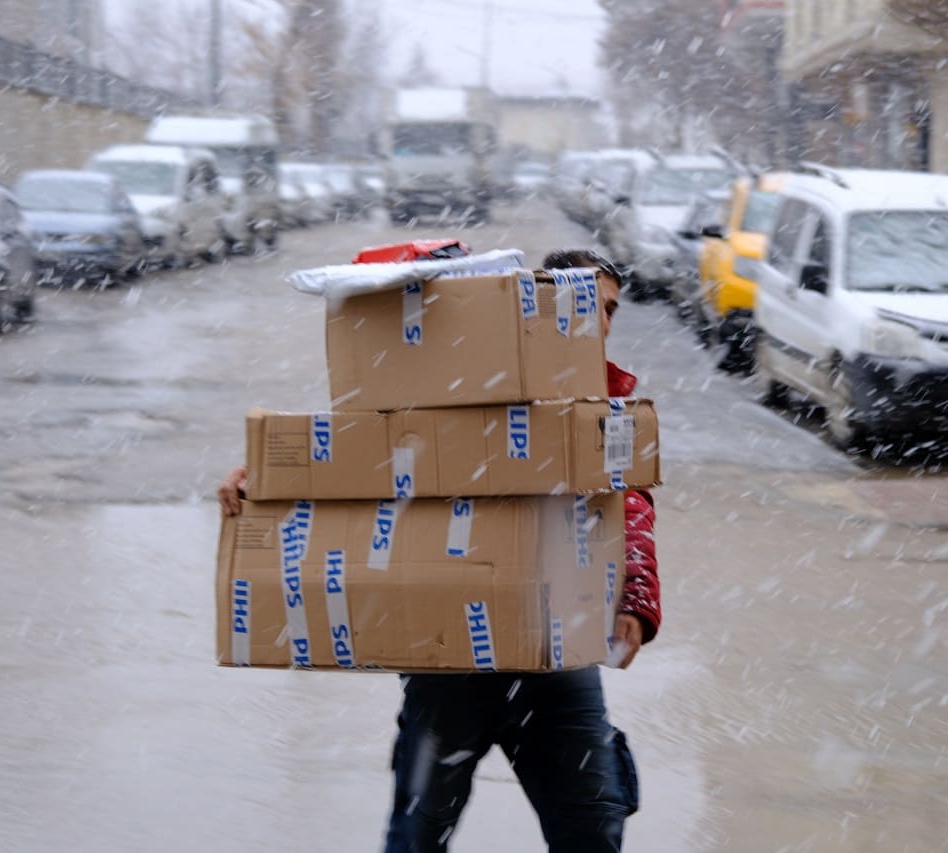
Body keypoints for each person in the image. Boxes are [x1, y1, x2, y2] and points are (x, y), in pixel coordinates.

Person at [216, 248, 661, 852]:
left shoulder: (608, 411)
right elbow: (360, 458)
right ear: (540, 309)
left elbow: (628, 506)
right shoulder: (466, 377)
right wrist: (265, 480)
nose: (600, 323)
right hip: (451, 657)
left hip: (559, 659)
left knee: (594, 829)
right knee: (417, 837)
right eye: (586, 307)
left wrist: (635, 599)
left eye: (609, 310)